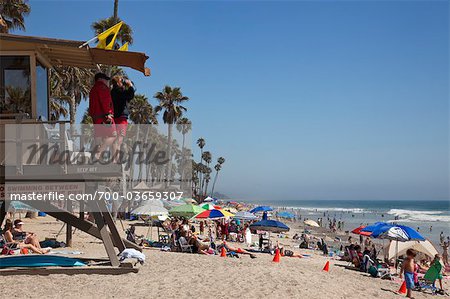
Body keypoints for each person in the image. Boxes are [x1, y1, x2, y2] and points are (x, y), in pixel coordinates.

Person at [89, 72, 116, 160]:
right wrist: (108, 113)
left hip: (95, 117)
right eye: (105, 79)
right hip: (103, 116)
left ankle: (97, 156)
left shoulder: (93, 89)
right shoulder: (103, 87)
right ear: (100, 79)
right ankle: (98, 154)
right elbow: (105, 101)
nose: (106, 81)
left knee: (99, 137)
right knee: (113, 135)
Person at [110, 76, 135, 162]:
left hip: (115, 117)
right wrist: (130, 85)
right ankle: (115, 161)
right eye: (121, 81)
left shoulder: (112, 91)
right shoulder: (119, 91)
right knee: (119, 139)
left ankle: (114, 160)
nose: (122, 83)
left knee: (115, 140)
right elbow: (130, 95)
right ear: (117, 83)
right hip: (121, 118)